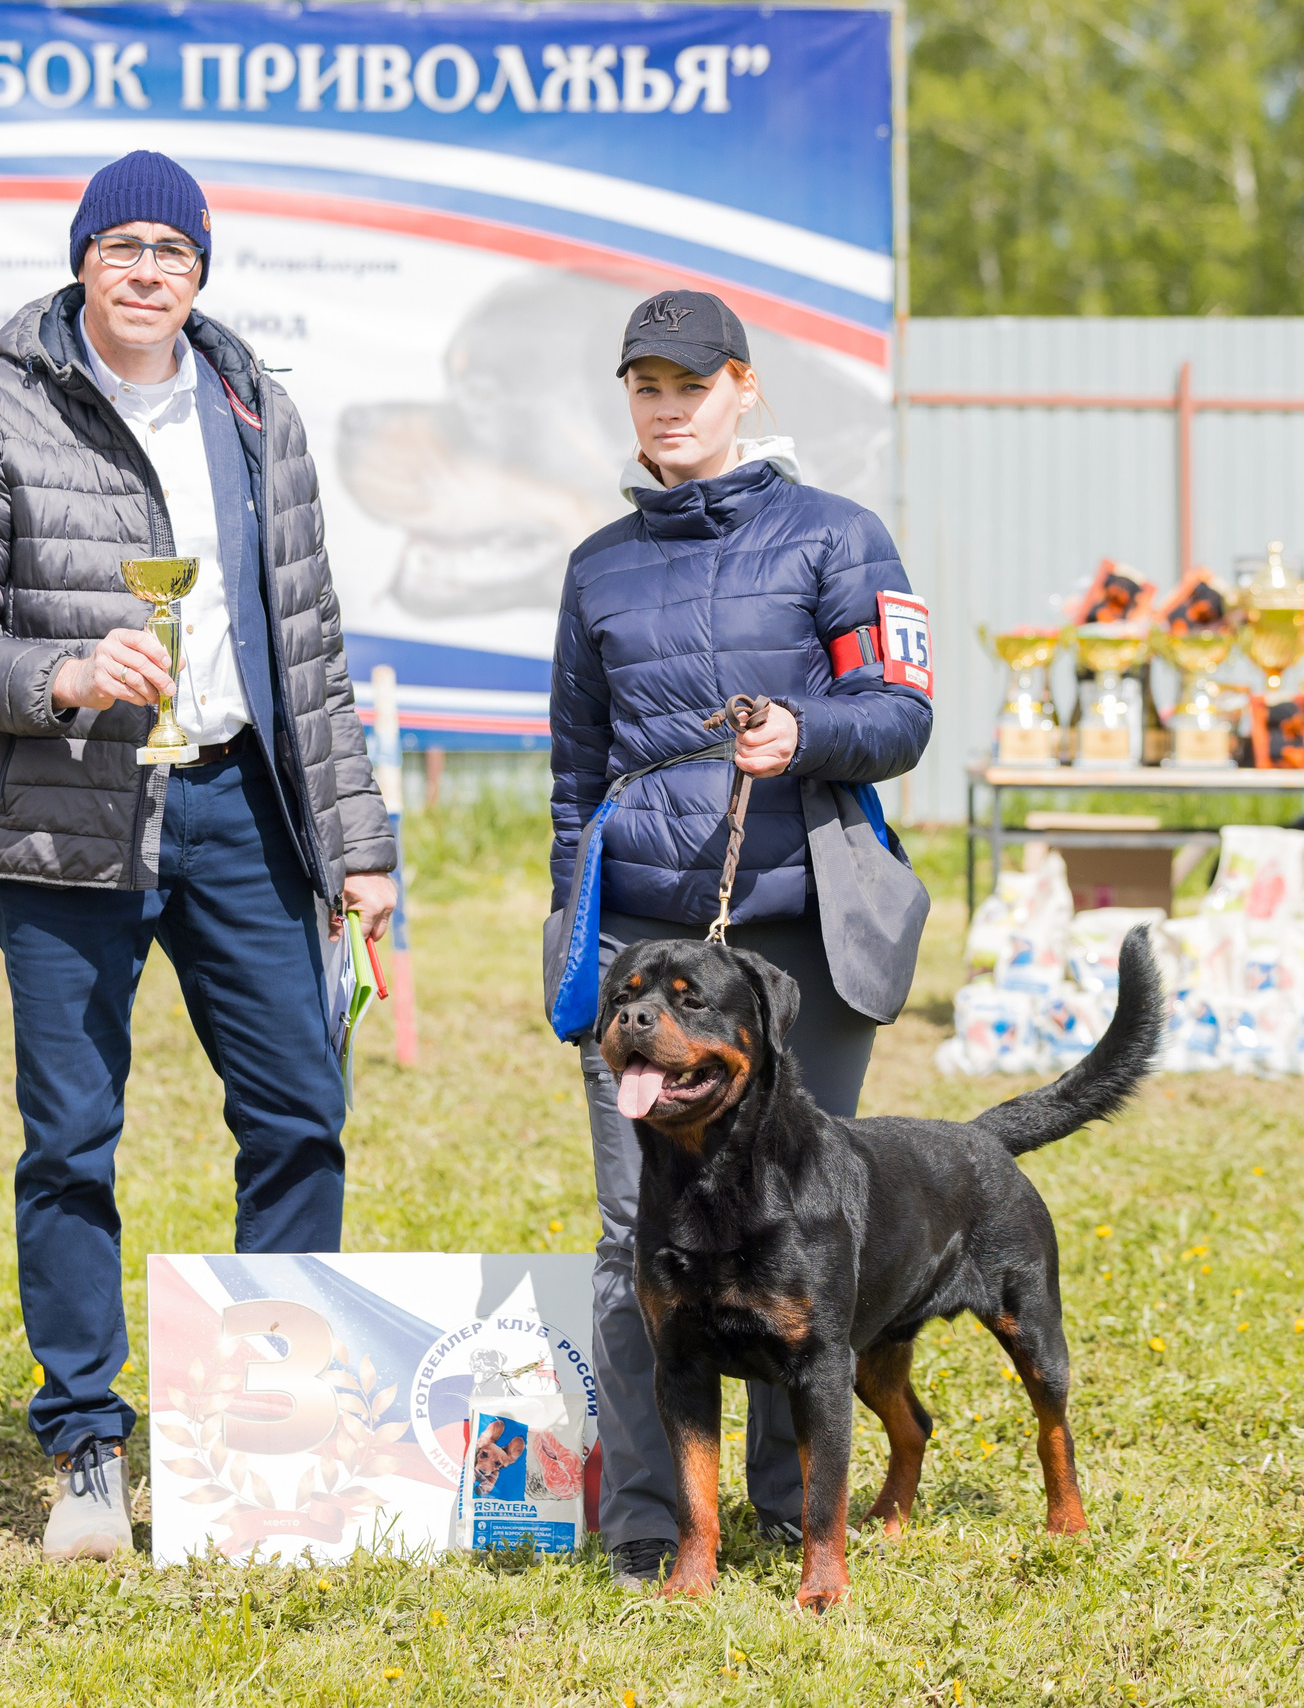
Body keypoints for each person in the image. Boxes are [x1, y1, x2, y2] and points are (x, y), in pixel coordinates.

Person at [0, 150, 397, 1562]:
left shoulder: (255, 409)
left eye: (172, 250)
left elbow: (311, 648)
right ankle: (87, 1448)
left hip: (241, 809)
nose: (146, 271)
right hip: (61, 824)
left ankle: (263, 1430)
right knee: (72, 1140)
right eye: (121, 247)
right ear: (82, 262)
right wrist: (61, 674)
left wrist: (355, 844)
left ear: (202, 273)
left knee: (300, 1114)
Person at [548, 290, 932, 1588]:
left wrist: (806, 734)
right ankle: (654, 1522)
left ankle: (787, 1507)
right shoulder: (598, 565)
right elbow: (572, 776)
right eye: (646, 385)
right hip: (656, 948)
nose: (668, 405)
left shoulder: (838, 537)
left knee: (798, 1231)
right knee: (633, 1234)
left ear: (745, 389)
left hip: (804, 939)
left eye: (691, 383)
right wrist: (576, 949)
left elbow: (902, 713)